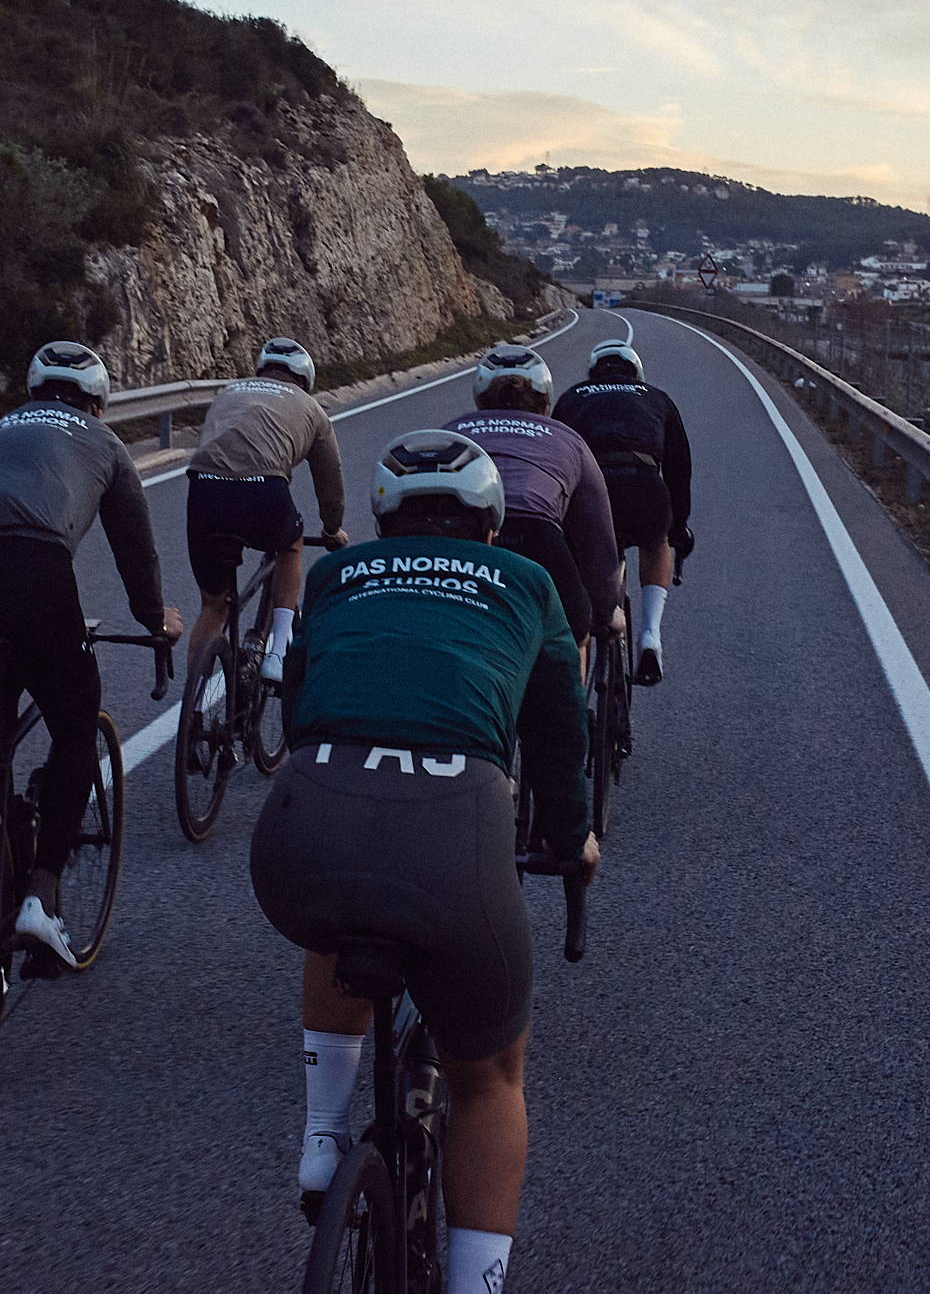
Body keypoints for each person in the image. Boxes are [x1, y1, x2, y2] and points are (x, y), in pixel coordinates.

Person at [251, 430, 596, 1294]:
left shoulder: (334, 575)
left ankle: (325, 1140)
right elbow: (561, 735)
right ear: (489, 526)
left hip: (305, 821)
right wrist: (571, 836)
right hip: (455, 830)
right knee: (490, 1078)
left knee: (336, 915)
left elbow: (301, 700)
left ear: (382, 519)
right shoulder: (527, 581)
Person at [0, 340, 180, 965]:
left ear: (33, 389)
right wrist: (155, 620)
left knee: (0, 688)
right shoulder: (106, 444)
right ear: (99, 402)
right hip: (34, 576)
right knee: (74, 720)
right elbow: (134, 548)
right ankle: (40, 895)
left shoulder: (2, 427)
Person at [443, 344, 623, 671]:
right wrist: (605, 607)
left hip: (462, 538)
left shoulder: (452, 430)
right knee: (574, 633)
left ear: (480, 399)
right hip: (537, 537)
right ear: (545, 404)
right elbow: (598, 538)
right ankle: (571, 716)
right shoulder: (569, 439)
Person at [183, 336, 349, 685]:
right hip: (262, 490)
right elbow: (329, 482)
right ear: (305, 379)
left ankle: (193, 708)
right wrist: (332, 529)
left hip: (204, 489)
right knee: (291, 544)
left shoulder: (228, 391)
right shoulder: (311, 408)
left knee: (213, 606)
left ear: (261, 370)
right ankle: (277, 655)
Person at [551, 337, 694, 684]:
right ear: (637, 374)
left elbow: (552, 455)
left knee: (584, 552)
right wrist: (678, 527)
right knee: (656, 542)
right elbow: (679, 467)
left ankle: (578, 675)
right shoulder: (657, 397)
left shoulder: (572, 397)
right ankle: (651, 635)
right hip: (645, 485)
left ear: (592, 373)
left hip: (592, 491)